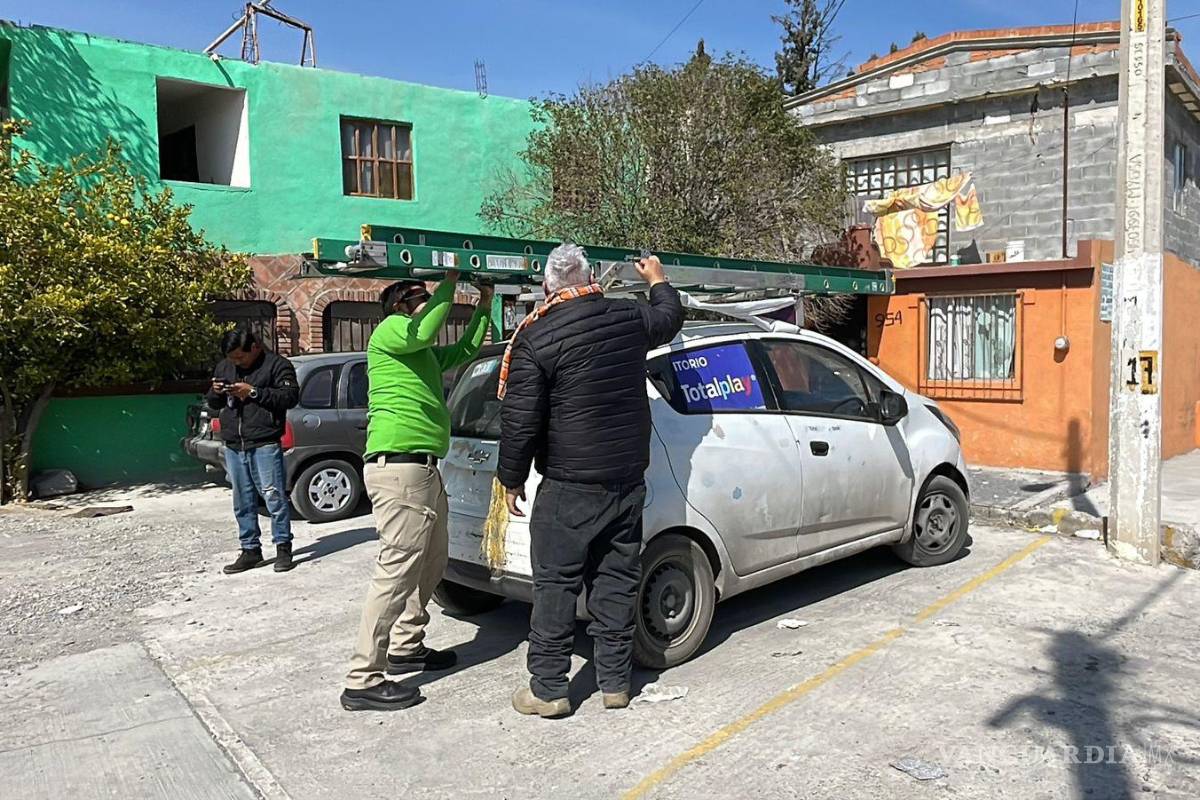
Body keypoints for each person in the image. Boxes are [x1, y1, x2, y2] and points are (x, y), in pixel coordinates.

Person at [498, 244, 684, 718]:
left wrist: (511, 480)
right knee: (617, 581)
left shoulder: (535, 338)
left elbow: (521, 420)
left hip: (568, 484)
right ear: (590, 278)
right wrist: (657, 277)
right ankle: (615, 683)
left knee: (556, 586)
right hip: (625, 478)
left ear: (547, 287)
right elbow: (668, 318)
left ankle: (548, 690)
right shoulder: (626, 317)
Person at [340, 272, 495, 712]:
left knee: (432, 560)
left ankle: (407, 644)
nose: (426, 306)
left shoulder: (419, 352)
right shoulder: (390, 332)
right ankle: (362, 678)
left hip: (424, 470)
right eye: (418, 300)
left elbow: (465, 350)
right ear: (399, 307)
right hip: (401, 468)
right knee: (396, 571)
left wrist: (483, 305)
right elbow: (426, 326)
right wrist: (449, 282)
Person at [207, 328, 300, 575]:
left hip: (265, 440)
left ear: (255, 347)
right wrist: (215, 392)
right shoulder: (225, 367)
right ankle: (250, 549)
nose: (236, 363)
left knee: (273, 496)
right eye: (232, 358)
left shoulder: (277, 365)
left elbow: (290, 397)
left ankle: (283, 547)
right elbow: (214, 404)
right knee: (242, 500)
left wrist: (254, 392)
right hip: (235, 444)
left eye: (240, 357)